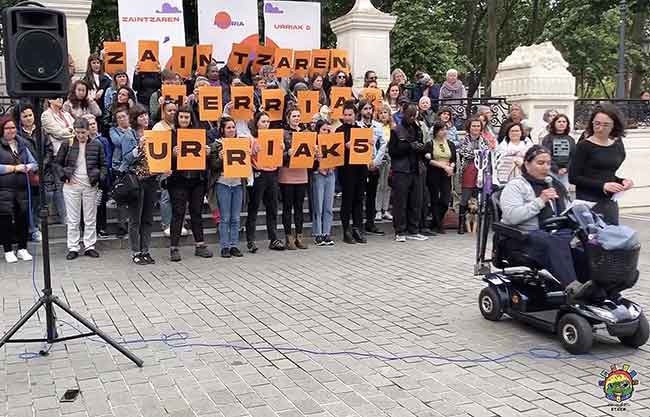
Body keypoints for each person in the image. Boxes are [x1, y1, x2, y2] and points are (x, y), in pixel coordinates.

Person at [500, 145, 591, 298]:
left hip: (554, 233)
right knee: (552, 242)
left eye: (548, 163)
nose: (546, 167)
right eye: (540, 163)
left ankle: (594, 284)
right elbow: (511, 216)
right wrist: (540, 201)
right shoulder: (516, 186)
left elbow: (566, 210)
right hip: (524, 236)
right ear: (527, 164)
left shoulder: (555, 184)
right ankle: (572, 286)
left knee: (584, 240)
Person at [569, 104, 633, 225]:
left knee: (613, 233)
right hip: (588, 201)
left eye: (606, 125)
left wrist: (622, 181)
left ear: (614, 125)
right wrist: (603, 185)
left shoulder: (617, 144)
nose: (600, 128)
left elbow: (606, 173)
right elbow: (573, 177)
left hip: (609, 201)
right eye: (597, 123)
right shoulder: (584, 146)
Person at [55, 117, 106, 260]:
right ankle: (73, 247)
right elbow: (57, 163)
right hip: (71, 185)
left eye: (83, 132)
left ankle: (90, 246)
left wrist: (99, 177)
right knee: (73, 219)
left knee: (90, 218)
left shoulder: (97, 144)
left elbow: (103, 164)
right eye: (77, 132)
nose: (80, 135)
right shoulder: (67, 144)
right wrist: (64, 176)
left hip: (90, 184)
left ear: (88, 131)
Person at [166, 105, 213, 261]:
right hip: (178, 180)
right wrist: (172, 154)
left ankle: (200, 245)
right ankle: (174, 248)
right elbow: (163, 158)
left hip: (197, 180)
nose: (184, 120)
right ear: (177, 118)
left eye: (187, 117)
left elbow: (207, 157)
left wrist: (208, 153)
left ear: (191, 118)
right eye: (181, 117)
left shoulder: (199, 134)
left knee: (196, 212)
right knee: (178, 213)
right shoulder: (171, 135)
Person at [115, 105, 158, 265]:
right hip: (136, 180)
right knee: (135, 219)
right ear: (135, 119)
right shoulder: (129, 135)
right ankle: (136, 252)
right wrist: (138, 147)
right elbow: (126, 158)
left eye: (146, 115)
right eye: (141, 116)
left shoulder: (152, 133)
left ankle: (145, 250)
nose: (145, 118)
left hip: (151, 179)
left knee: (148, 218)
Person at [388, 103, 428, 242]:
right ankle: (400, 231)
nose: (412, 118)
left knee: (416, 201)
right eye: (410, 115)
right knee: (400, 202)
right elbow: (393, 151)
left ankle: (414, 229)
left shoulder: (418, 129)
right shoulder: (396, 130)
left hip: (416, 168)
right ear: (403, 114)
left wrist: (421, 148)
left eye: (414, 115)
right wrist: (409, 147)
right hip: (401, 169)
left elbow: (422, 147)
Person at [207, 116, 246, 258]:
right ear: (222, 130)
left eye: (233, 127)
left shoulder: (241, 143)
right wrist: (220, 159)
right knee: (225, 217)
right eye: (228, 127)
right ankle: (224, 246)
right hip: (223, 183)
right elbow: (212, 166)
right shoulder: (215, 145)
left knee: (235, 217)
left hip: (237, 183)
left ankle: (234, 245)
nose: (231, 130)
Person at [0, 117, 37, 263]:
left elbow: (34, 163)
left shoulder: (22, 144)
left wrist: (28, 167)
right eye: (7, 128)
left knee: (23, 219)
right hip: (4, 189)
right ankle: (8, 250)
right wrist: (15, 168)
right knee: (5, 220)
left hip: (22, 189)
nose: (11, 131)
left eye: (13, 128)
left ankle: (22, 248)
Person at [246, 112, 285, 252]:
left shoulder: (274, 136)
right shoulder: (252, 138)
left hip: (272, 173)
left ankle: (273, 238)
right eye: (263, 121)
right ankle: (250, 240)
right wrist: (252, 151)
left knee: (273, 207)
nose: (266, 124)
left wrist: (281, 149)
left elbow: (278, 155)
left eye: (268, 122)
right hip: (259, 173)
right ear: (257, 123)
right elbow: (246, 156)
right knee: (254, 207)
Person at [336, 101, 368, 244]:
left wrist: (370, 143)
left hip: (360, 168)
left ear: (355, 115)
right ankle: (346, 230)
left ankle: (357, 228)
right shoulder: (339, 130)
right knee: (347, 200)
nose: (348, 117)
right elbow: (335, 151)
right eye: (345, 115)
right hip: (346, 169)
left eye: (350, 114)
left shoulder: (360, 129)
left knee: (359, 199)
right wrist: (345, 146)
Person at [41, 97, 74, 224]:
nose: (60, 99)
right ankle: (65, 218)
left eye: (61, 97)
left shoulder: (66, 114)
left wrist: (69, 131)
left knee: (71, 185)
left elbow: (77, 127)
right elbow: (58, 133)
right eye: (56, 97)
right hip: (57, 154)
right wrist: (71, 131)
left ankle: (73, 216)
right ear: (49, 100)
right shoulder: (46, 115)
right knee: (60, 186)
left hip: (71, 152)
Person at [280, 107, 309, 250]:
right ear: (288, 118)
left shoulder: (306, 132)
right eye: (294, 116)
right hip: (287, 173)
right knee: (287, 207)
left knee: (299, 207)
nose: (296, 118)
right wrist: (287, 153)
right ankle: (288, 237)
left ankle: (299, 236)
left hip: (302, 173)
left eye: (298, 116)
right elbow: (277, 154)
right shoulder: (283, 133)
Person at [357, 99, 386, 236]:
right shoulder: (357, 126)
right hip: (360, 164)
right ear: (360, 111)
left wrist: (376, 161)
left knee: (371, 195)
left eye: (370, 109)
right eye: (365, 109)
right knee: (359, 195)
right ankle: (358, 224)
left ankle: (370, 222)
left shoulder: (377, 126)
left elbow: (383, 144)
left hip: (374, 163)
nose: (368, 111)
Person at [457, 116, 491, 234]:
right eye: (474, 126)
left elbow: (487, 153)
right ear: (469, 127)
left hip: (481, 172)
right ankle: (461, 224)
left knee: (479, 198)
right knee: (465, 197)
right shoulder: (463, 140)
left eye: (478, 126)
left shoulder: (485, 140)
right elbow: (464, 152)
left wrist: (477, 154)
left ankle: (479, 225)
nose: (476, 128)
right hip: (468, 170)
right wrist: (478, 153)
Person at [83, 114, 112, 239]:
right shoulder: (83, 141)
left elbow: (108, 157)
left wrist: (103, 173)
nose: (92, 126)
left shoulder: (103, 140)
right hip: (87, 177)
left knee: (100, 203)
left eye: (94, 123)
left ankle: (101, 227)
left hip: (101, 176)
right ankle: (88, 229)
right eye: (89, 124)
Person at [424, 121, 456, 234]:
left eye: (445, 129)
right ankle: (438, 224)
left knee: (445, 200)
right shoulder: (430, 144)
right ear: (436, 131)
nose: (444, 132)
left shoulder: (450, 144)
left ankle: (435, 222)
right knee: (434, 198)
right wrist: (443, 166)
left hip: (446, 174)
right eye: (442, 130)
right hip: (434, 173)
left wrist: (451, 167)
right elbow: (428, 160)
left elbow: (453, 159)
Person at [311, 119, 337, 246]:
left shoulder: (333, 141)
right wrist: (317, 163)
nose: (326, 132)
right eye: (324, 129)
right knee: (318, 206)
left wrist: (332, 167)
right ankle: (318, 233)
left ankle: (327, 232)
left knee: (328, 206)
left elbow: (338, 157)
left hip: (330, 174)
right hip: (318, 174)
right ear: (318, 130)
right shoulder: (314, 143)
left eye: (328, 130)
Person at [541, 114, 576, 189]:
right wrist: (556, 169)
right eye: (559, 121)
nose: (561, 123)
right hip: (551, 171)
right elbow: (546, 156)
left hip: (565, 173)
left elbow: (573, 156)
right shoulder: (547, 139)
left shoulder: (570, 139)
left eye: (564, 121)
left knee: (564, 193)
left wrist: (566, 169)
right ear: (554, 123)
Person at [375, 103, 394, 221]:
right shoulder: (376, 127)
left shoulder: (393, 127)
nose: (383, 115)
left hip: (390, 157)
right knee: (379, 184)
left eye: (385, 113)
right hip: (379, 157)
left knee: (387, 185)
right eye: (380, 113)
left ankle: (385, 209)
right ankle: (378, 210)